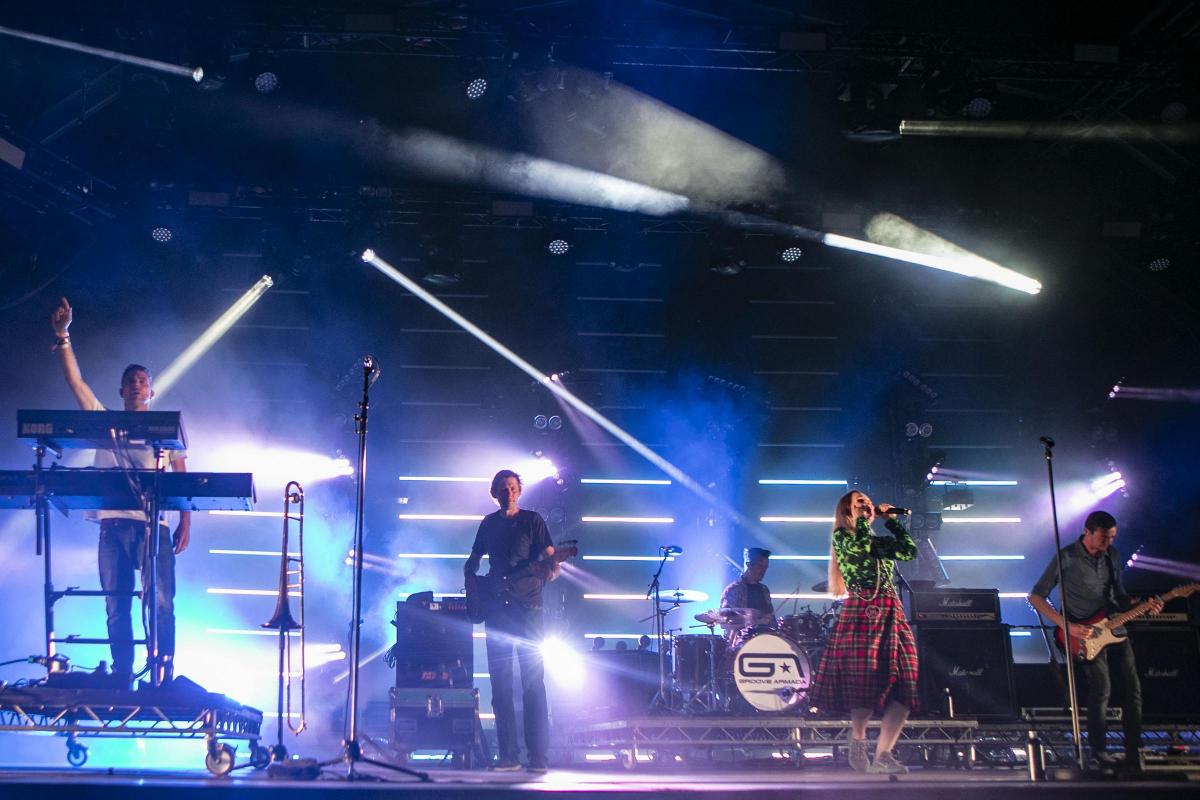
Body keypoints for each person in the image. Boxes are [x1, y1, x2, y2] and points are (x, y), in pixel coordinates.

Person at [50, 297, 191, 685]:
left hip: (152, 527)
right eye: (131, 381)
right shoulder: (104, 421)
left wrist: (186, 521)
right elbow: (74, 382)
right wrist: (64, 336)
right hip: (113, 526)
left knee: (161, 603)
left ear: (151, 391)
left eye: (143, 381)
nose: (136, 385)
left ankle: (162, 672)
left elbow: (181, 471)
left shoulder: (165, 427)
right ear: (121, 390)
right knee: (116, 606)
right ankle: (123, 673)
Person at [1028, 510, 1162, 769]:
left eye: (1112, 537)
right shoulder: (1066, 556)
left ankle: (1134, 750)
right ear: (1087, 532)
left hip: (1115, 625)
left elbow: (1120, 596)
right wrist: (1067, 626)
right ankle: (1097, 751)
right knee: (1102, 689)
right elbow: (1036, 596)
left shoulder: (1113, 555)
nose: (1108, 542)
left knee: (1133, 689)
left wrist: (1142, 604)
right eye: (1104, 537)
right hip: (1084, 633)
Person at [809, 490, 918, 775]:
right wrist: (861, 522)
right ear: (847, 510)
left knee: (906, 684)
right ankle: (858, 740)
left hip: (891, 609)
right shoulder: (843, 538)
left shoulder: (878, 542)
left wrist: (892, 522)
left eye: (868, 502)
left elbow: (909, 551)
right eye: (860, 503)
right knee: (865, 684)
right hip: (863, 607)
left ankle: (884, 754)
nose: (867, 505)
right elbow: (860, 548)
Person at [463, 469, 555, 774]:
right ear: (494, 493)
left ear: (520, 491)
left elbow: (553, 560)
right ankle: (509, 756)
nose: (509, 493)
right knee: (501, 684)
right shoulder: (488, 524)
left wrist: (548, 572)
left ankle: (538, 757)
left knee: (532, 683)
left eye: (513, 488)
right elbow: (474, 559)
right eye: (503, 489)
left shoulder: (533, 521)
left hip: (529, 609)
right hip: (497, 610)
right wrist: (471, 581)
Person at [719, 547, 776, 640]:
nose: (763, 571)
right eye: (760, 566)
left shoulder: (764, 590)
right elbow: (725, 623)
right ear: (749, 565)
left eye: (765, 568)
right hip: (740, 645)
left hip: (764, 642)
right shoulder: (733, 590)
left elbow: (772, 621)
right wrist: (756, 621)